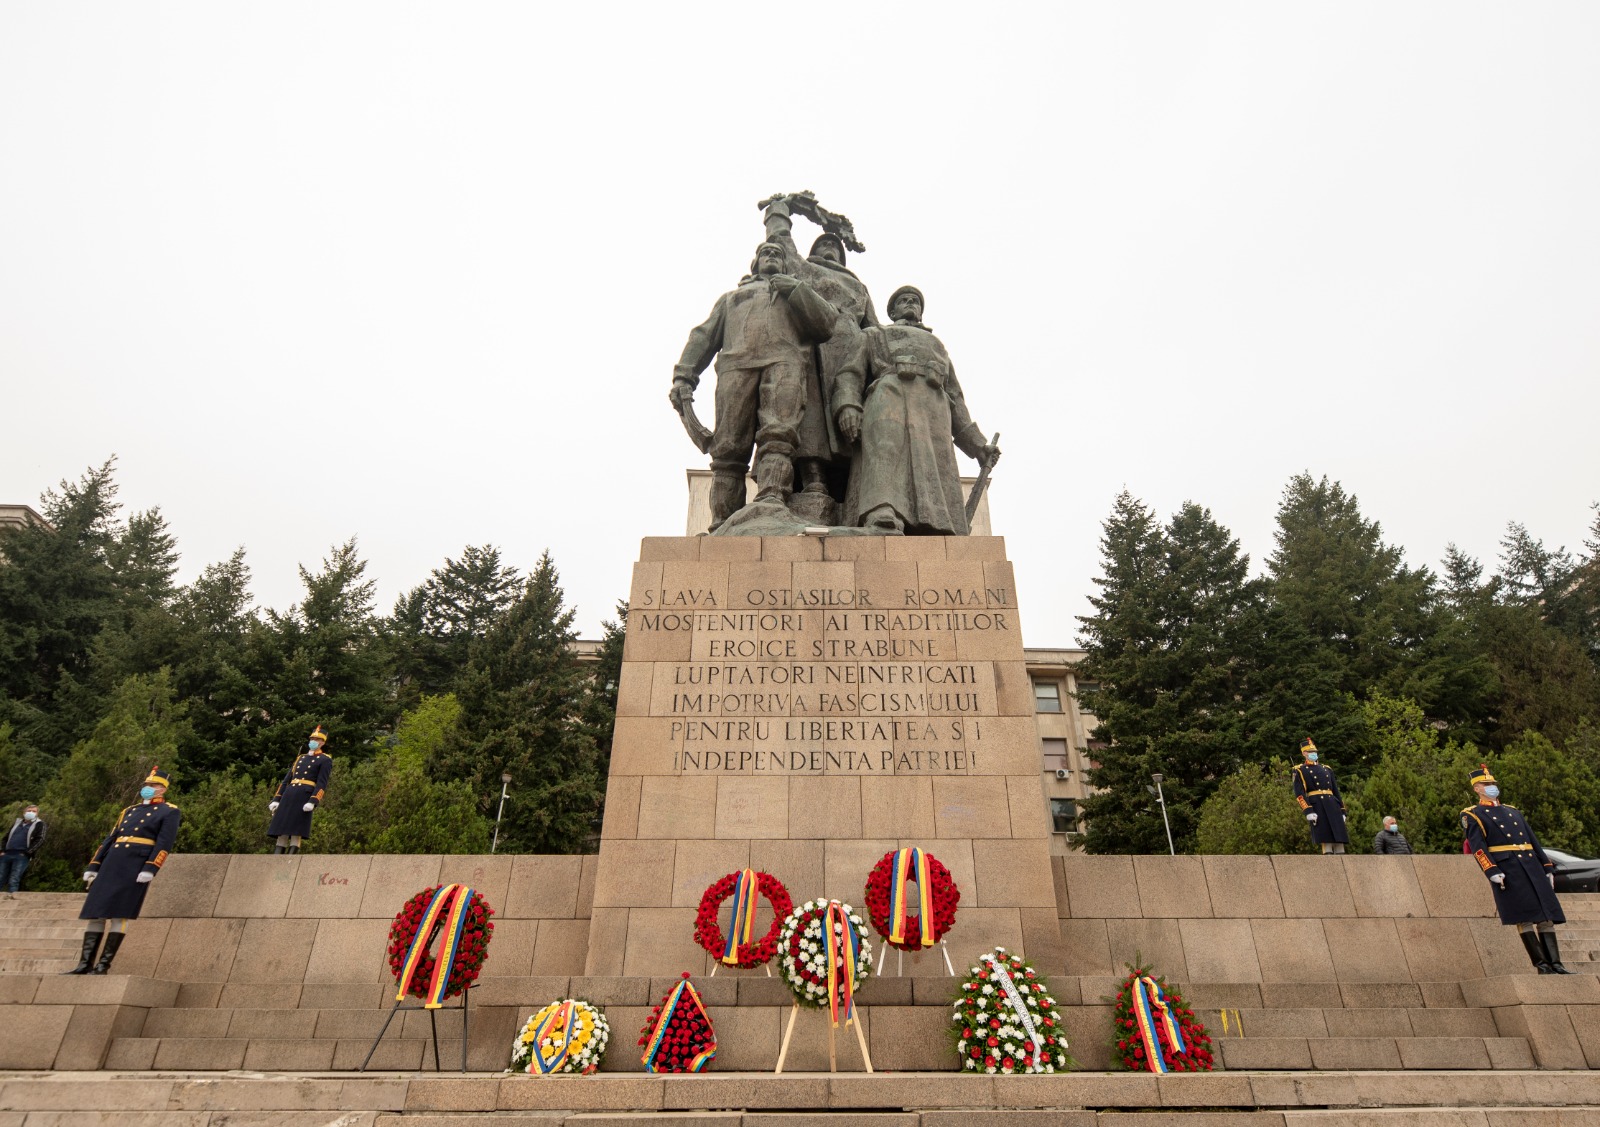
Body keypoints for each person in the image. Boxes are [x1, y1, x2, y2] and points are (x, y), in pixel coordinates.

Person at [671, 241, 839, 530]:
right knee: (727, 448)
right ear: (755, 262)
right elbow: (703, 336)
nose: (771, 255)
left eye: (777, 253)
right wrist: (684, 375)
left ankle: (772, 496)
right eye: (765, 253)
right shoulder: (732, 298)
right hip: (736, 368)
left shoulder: (795, 293)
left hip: (784, 364)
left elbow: (826, 324)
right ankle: (722, 520)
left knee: (779, 434)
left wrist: (796, 290)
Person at [832, 286, 1000, 534]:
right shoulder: (873, 334)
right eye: (903, 301)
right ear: (891, 311)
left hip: (933, 410)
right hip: (888, 397)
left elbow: (955, 396)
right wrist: (848, 406)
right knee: (885, 452)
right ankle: (881, 513)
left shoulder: (937, 346)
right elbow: (849, 374)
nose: (910, 303)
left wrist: (977, 446)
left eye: (915, 301)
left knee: (934, 465)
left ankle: (937, 523)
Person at [762, 197, 878, 512]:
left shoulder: (859, 287)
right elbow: (780, 243)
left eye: (834, 244)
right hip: (815, 347)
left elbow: (874, 329)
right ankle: (813, 478)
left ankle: (855, 492)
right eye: (823, 242)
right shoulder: (805, 270)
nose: (829, 246)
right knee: (810, 413)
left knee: (856, 419)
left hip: (852, 352)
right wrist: (779, 211)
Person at [66, 765, 180, 975]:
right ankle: (84, 963)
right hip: (112, 863)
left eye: (153, 785)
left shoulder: (169, 811)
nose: (148, 788)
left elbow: (164, 843)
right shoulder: (129, 811)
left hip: (134, 865)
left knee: (119, 914)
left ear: (162, 789)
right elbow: (110, 839)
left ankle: (103, 965)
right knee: (95, 913)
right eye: (146, 784)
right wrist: (94, 865)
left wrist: (151, 867)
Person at [1461, 763, 1569, 973]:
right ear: (1477, 788)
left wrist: (1546, 866)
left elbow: (1533, 840)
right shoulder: (1472, 814)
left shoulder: (1513, 811)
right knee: (1525, 916)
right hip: (1509, 869)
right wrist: (1491, 870)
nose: (1492, 787)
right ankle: (1542, 965)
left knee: (1546, 915)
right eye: (1486, 784)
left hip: (1532, 866)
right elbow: (1478, 848)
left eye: (1493, 783)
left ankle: (1557, 963)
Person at [267, 724, 333, 854]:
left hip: (304, 795)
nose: (313, 742)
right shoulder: (301, 758)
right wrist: (276, 798)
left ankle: (291, 857)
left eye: (317, 740)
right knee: (282, 827)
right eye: (312, 739)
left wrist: (313, 800)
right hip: (289, 794)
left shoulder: (325, 760)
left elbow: (321, 783)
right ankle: (276, 856)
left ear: (322, 742)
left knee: (296, 830)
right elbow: (287, 780)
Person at [1292, 737, 1349, 855]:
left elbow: (1336, 791)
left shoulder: (1327, 769)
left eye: (1315, 752)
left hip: (1332, 804)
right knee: (1326, 838)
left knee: (1340, 839)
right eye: (1311, 752)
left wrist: (1342, 810)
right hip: (1317, 804)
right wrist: (1308, 810)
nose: (1314, 754)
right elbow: (1299, 794)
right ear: (1304, 753)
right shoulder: (1300, 770)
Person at [1, 804, 47, 898]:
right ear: (24, 812)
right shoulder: (17, 823)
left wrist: (28, 852)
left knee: (14, 877)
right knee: (1, 876)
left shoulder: (39, 824)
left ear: (37, 813)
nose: (31, 812)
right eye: (29, 810)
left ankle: (11, 897)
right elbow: (5, 837)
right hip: (7, 853)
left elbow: (40, 839)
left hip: (21, 855)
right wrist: (2, 850)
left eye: (34, 811)